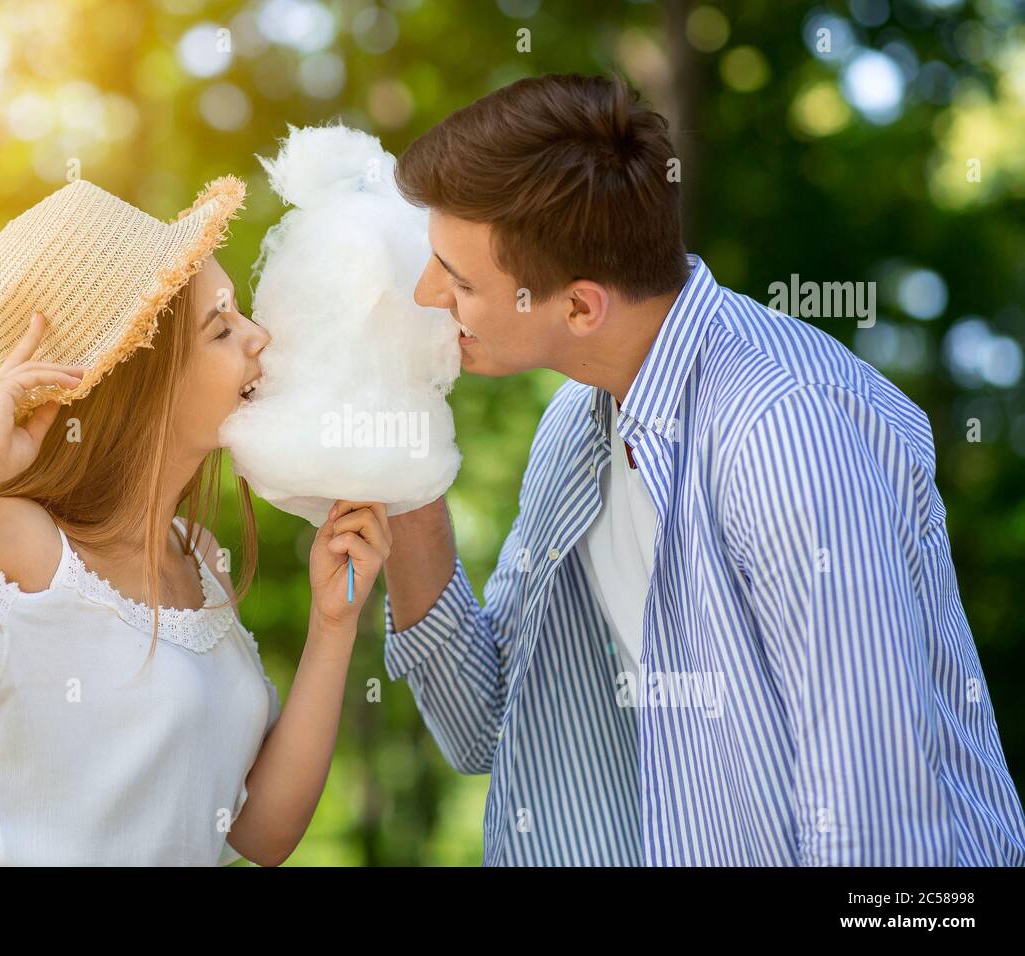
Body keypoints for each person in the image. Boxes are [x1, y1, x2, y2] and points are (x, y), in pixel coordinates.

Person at [382, 72, 1025, 865]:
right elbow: (485, 724)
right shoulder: (575, 425)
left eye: (459, 278)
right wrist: (398, 472)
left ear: (580, 307)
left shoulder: (781, 431)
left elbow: (877, 820)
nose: (424, 291)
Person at [0, 177, 391, 866]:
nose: (258, 337)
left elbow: (261, 835)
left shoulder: (201, 558)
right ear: (141, 377)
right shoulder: (21, 545)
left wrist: (335, 624)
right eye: (221, 326)